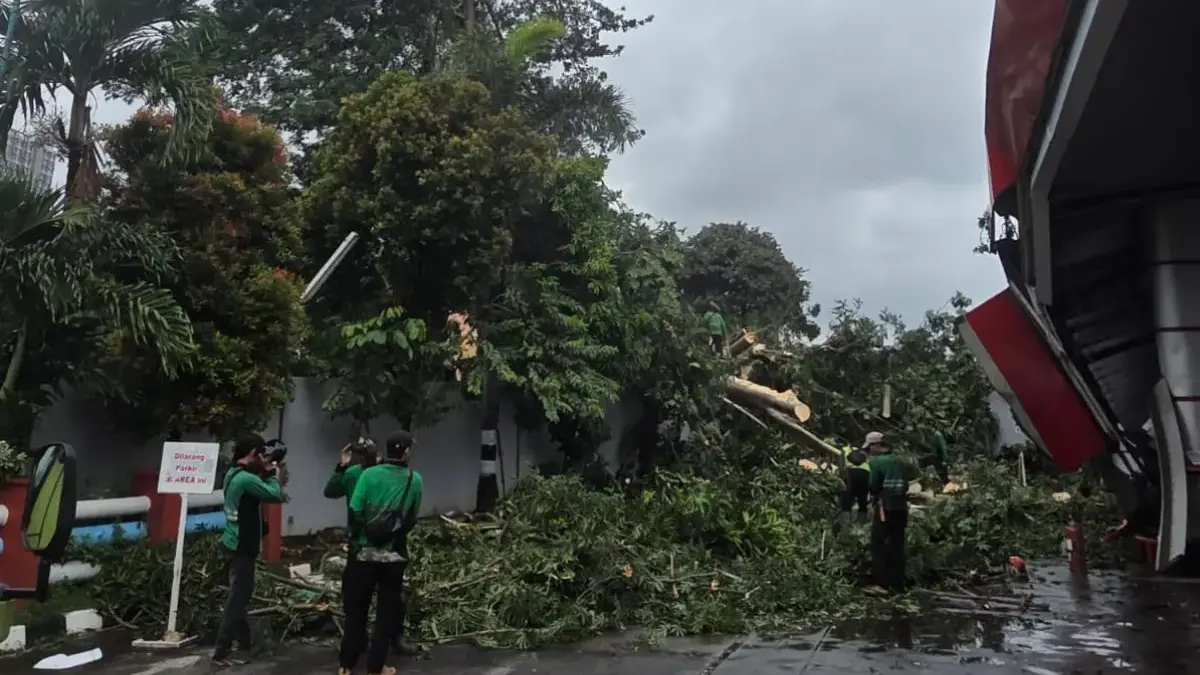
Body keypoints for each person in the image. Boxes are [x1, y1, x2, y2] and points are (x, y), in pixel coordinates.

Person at [338, 431, 424, 675]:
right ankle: (376, 667)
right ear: (406, 451)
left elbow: (355, 511)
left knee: (356, 611)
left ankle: (346, 666)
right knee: (385, 613)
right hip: (393, 556)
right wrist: (392, 536)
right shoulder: (414, 480)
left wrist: (360, 539)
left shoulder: (368, 475)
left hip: (362, 554)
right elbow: (412, 518)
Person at [212, 434, 287, 667]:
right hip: (242, 545)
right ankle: (221, 652)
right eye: (262, 454)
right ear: (253, 453)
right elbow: (275, 495)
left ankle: (246, 644)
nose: (265, 458)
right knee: (237, 600)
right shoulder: (245, 479)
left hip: (233, 542)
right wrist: (274, 474)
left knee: (241, 596)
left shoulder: (233, 473)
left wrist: (262, 471)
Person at [863, 431, 919, 597]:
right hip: (901, 507)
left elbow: (873, 484)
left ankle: (881, 584)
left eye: (870, 447)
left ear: (876, 446)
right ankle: (898, 584)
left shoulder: (876, 462)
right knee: (897, 545)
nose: (869, 451)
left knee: (878, 543)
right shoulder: (900, 460)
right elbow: (906, 485)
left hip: (884, 507)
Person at [839, 442, 871, 520]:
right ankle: (860, 528)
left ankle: (846, 525)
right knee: (862, 501)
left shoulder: (844, 449)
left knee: (846, 502)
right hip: (866, 474)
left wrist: (842, 479)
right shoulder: (865, 452)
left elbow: (841, 467)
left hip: (851, 473)